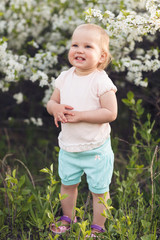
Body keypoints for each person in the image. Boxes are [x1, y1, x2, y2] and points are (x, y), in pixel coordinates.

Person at [47, 23, 117, 238]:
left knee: (99, 191)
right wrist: (55, 108)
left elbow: (110, 113)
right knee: (68, 185)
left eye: (88, 46)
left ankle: (97, 227)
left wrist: (82, 115)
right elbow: (51, 102)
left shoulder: (100, 81)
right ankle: (68, 218)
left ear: (101, 57)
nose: (79, 50)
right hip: (69, 147)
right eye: (75, 44)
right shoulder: (65, 77)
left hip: (95, 148)